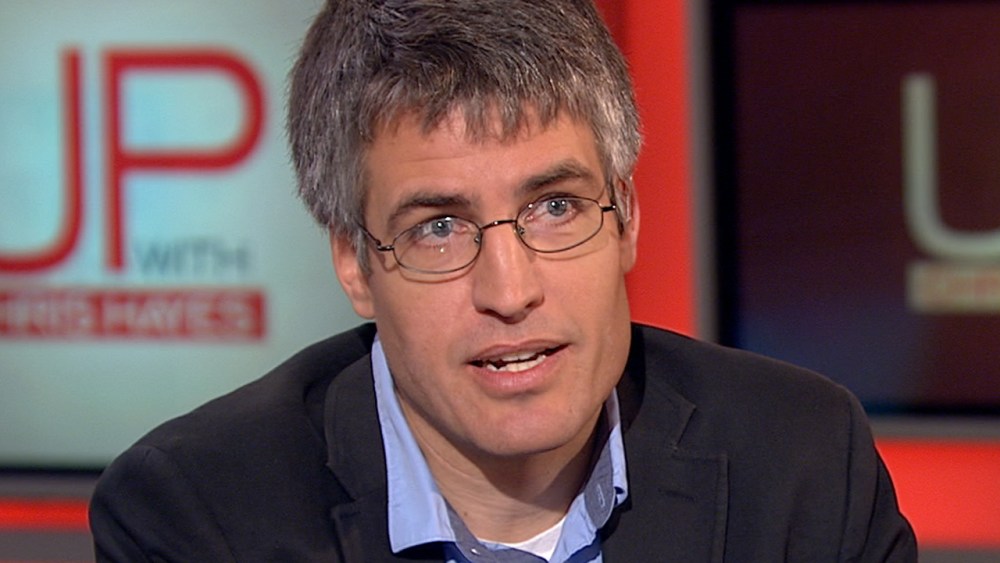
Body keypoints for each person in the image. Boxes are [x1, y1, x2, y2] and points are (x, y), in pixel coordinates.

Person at [89, 0, 917, 561]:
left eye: (555, 206)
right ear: (355, 263)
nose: (511, 291)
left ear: (626, 216)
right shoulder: (199, 514)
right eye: (438, 226)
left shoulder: (801, 464)